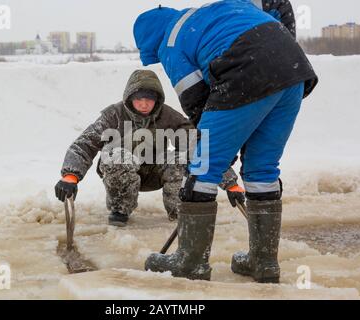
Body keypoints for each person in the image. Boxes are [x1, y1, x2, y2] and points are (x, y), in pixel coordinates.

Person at [134, 0, 318, 282]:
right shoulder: (211, 14)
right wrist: (231, 135)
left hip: (247, 70)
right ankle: (264, 262)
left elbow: (196, 100)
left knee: (202, 166)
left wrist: (218, 145)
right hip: (293, 70)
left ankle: (189, 262)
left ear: (151, 39)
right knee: (262, 168)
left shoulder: (170, 40)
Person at [55, 70, 194, 227]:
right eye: (139, 99)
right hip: (120, 171)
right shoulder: (114, 114)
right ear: (130, 98)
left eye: (149, 99)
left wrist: (228, 183)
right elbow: (85, 143)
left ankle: (180, 211)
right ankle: (120, 209)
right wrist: (70, 176)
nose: (144, 104)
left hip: (155, 171)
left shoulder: (168, 115)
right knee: (119, 157)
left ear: (157, 99)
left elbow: (198, 146)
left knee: (179, 160)